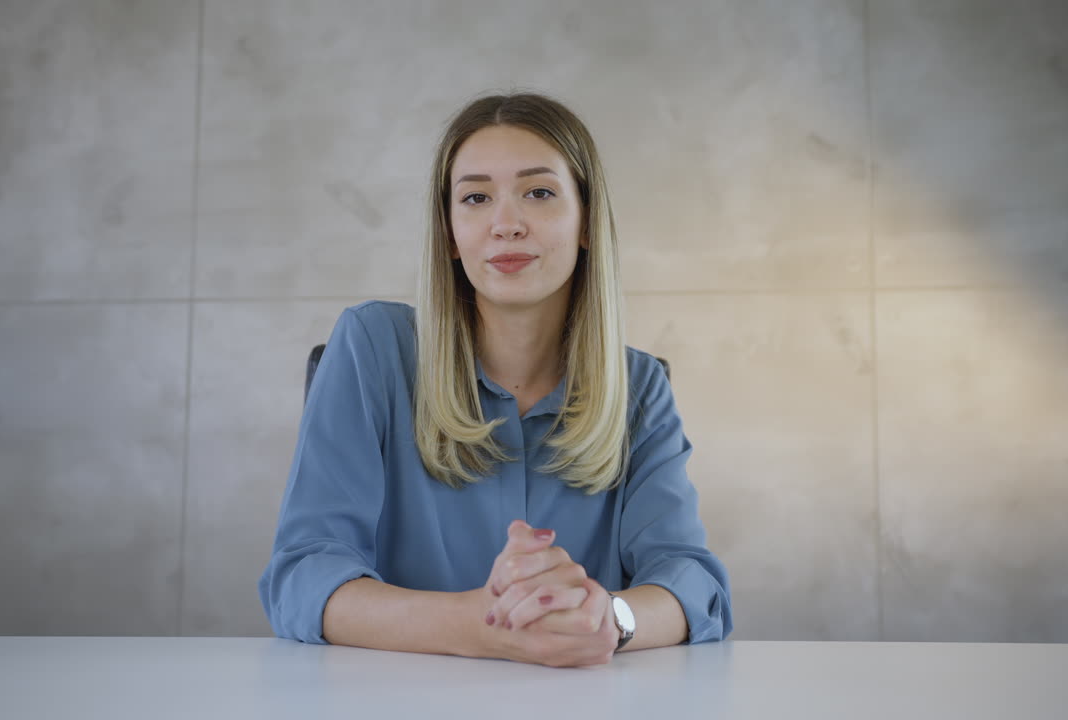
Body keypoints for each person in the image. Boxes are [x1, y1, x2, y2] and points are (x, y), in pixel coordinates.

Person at [258, 91, 732, 668]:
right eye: (476, 197)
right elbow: (304, 578)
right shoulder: (371, 346)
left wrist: (608, 619)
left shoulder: (639, 387)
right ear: (451, 234)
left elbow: (693, 585)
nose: (506, 224)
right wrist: (481, 625)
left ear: (586, 222)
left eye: (538, 192)